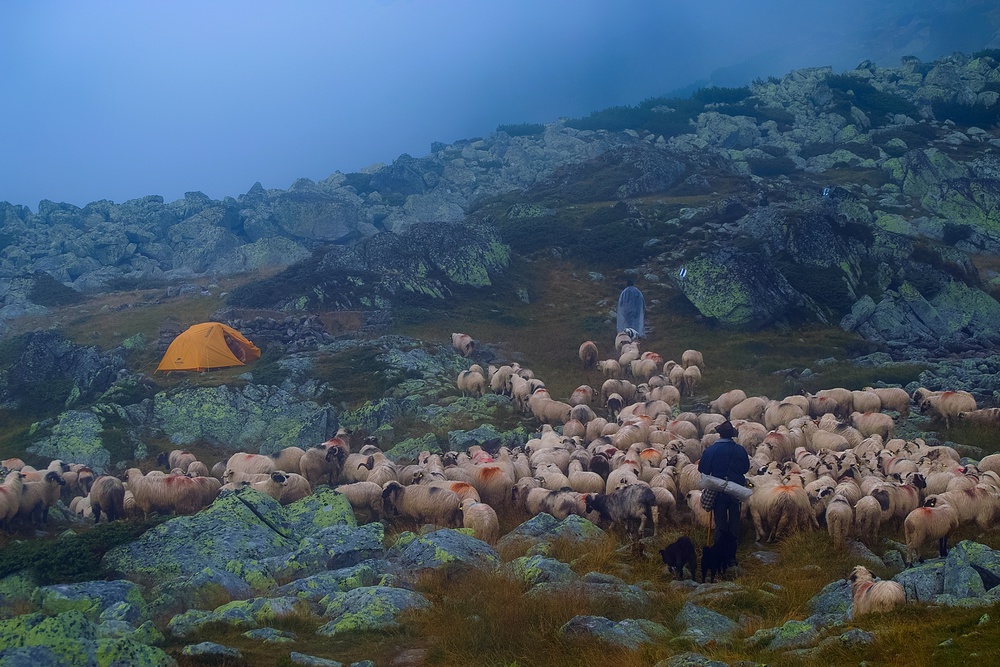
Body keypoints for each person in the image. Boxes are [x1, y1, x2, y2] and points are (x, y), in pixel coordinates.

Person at [698, 420, 750, 551]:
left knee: (720, 518)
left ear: (720, 434)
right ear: (732, 434)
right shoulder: (740, 450)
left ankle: (720, 545)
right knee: (734, 517)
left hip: (719, 490)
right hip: (736, 490)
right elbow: (745, 469)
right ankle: (733, 545)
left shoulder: (711, 450)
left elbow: (703, 469)